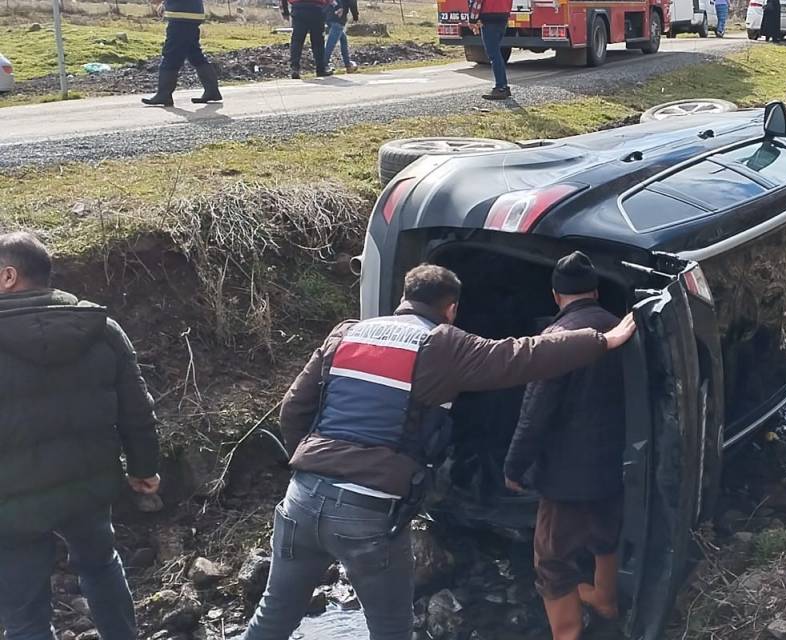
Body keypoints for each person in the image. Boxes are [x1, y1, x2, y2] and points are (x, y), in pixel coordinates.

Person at [241, 263, 636, 640]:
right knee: (391, 631)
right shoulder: (440, 344)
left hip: (301, 500)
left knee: (272, 618)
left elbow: (293, 409)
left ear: (404, 297)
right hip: (367, 513)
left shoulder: (347, 333)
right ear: (451, 309)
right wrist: (602, 340)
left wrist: (312, 466)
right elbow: (523, 355)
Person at [0, 232, 162, 640]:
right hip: (87, 488)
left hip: (11, 503)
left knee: (25, 616)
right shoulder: (102, 329)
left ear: (8, 276)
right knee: (101, 566)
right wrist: (144, 468)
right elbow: (137, 410)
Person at [503, 253, 626, 640]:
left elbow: (534, 413)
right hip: (616, 462)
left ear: (556, 296)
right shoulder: (621, 328)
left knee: (552, 560)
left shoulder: (554, 340)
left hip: (565, 475)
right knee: (605, 533)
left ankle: (567, 633)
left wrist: (514, 467)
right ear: (595, 292)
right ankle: (605, 597)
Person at [141, 0, 221, 106]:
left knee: (171, 54)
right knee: (194, 53)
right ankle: (212, 91)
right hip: (192, 14)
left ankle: (164, 94)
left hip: (180, 15)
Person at [282, 0, 332, 79]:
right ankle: (320, 69)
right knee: (318, 42)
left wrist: (285, 12)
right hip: (316, 9)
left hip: (298, 9)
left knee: (297, 41)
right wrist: (325, 9)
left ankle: (294, 69)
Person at [472, 0, 511, 100]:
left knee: (493, 54)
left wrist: (473, 19)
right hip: (503, 17)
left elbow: (477, 2)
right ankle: (503, 86)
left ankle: (500, 87)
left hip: (489, 18)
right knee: (496, 52)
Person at [323, 0, 359, 74]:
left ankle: (348, 65)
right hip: (339, 17)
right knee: (331, 43)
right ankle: (323, 65)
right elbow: (352, 2)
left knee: (343, 40)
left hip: (329, 16)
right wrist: (355, 16)